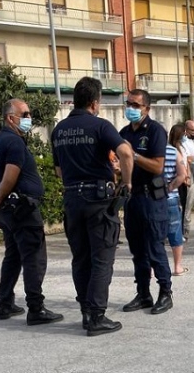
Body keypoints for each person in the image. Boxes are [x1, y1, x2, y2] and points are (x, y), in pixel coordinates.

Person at [51, 77, 134, 336]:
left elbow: (58, 171)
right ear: (95, 103)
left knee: (81, 258)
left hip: (72, 199)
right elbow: (127, 153)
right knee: (102, 259)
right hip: (98, 201)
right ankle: (97, 317)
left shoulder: (59, 130)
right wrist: (127, 184)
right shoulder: (100, 126)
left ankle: (87, 312)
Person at [0, 98, 63, 326]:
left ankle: (6, 303)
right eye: (25, 114)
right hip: (22, 209)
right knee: (34, 258)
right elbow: (10, 173)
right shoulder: (15, 142)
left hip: (7, 210)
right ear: (11, 117)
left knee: (13, 256)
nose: (29, 119)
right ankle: (36, 309)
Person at [119, 89, 174, 315]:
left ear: (146, 109)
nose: (131, 108)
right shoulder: (123, 132)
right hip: (132, 198)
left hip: (151, 198)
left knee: (154, 247)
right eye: (128, 103)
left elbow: (158, 166)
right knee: (137, 250)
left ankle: (165, 292)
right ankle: (143, 293)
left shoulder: (155, 131)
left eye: (136, 105)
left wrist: (135, 156)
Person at [166, 124, 189, 276]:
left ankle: (152, 268)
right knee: (175, 232)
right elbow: (182, 174)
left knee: (154, 235)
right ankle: (177, 266)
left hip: (151, 199)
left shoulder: (145, 153)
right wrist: (170, 187)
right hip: (171, 197)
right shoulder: (173, 152)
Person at [179, 120, 194, 238]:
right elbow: (188, 158)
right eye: (192, 130)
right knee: (189, 201)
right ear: (186, 130)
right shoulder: (183, 143)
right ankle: (185, 227)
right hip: (190, 172)